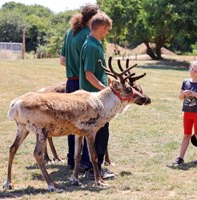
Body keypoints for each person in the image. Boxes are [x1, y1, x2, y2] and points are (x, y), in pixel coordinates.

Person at [60, 4, 99, 170]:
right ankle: (84, 161)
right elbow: (88, 68)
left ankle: (71, 159)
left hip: (70, 83)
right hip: (83, 83)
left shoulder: (70, 32)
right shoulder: (87, 35)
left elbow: (62, 60)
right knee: (87, 124)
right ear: (93, 18)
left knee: (72, 124)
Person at [79, 11, 114, 179]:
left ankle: (94, 167)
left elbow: (99, 71)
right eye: (107, 30)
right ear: (101, 27)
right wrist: (104, 90)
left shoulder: (95, 44)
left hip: (96, 95)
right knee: (100, 132)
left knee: (98, 132)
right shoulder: (92, 46)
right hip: (94, 98)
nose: (107, 33)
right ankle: (95, 169)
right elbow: (88, 74)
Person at [172, 61, 197, 165]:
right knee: (186, 135)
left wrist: (194, 94)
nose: (193, 72)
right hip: (187, 113)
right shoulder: (185, 82)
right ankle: (180, 157)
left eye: (196, 71)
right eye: (192, 69)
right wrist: (183, 93)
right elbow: (180, 97)